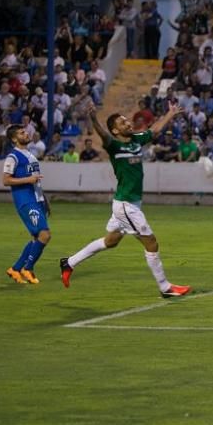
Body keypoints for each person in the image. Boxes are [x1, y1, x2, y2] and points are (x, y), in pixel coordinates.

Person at [60, 103, 190, 299]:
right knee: (151, 243)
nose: (128, 123)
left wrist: (170, 113)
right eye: (122, 122)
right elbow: (103, 136)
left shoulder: (136, 140)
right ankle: (165, 288)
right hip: (126, 205)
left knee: (110, 241)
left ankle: (68, 263)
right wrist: (94, 119)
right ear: (115, 130)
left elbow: (154, 130)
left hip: (131, 202)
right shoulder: (114, 145)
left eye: (127, 120)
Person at [2, 125, 51, 284]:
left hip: (37, 200)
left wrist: (44, 198)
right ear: (14, 139)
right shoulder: (13, 157)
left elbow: (35, 180)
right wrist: (28, 180)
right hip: (25, 201)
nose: (26, 133)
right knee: (45, 234)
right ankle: (28, 268)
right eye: (22, 133)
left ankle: (15, 269)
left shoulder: (31, 155)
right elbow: (6, 180)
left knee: (35, 238)